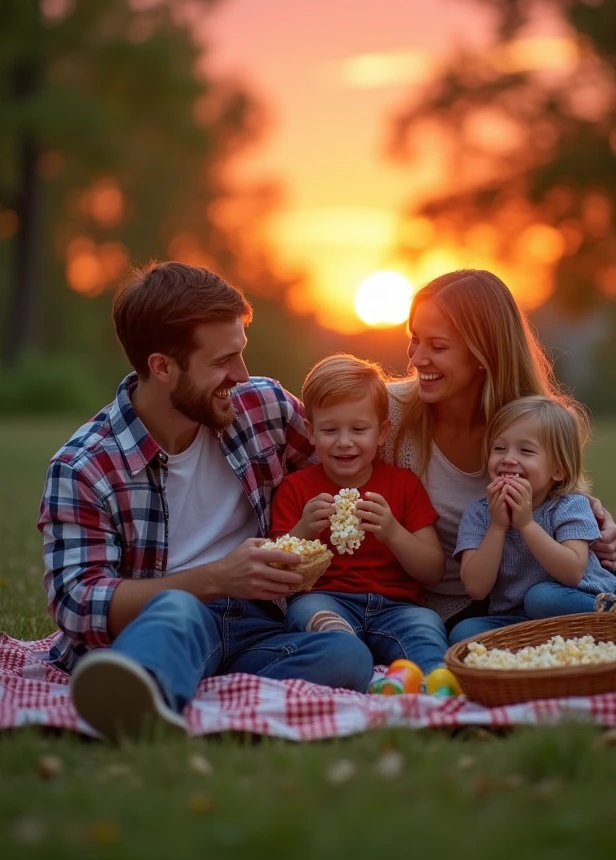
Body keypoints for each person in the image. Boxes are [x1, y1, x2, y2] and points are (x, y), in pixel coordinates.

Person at [38, 262, 375, 741]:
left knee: (347, 657)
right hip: (170, 619)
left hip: (259, 626)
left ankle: (178, 693)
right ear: (163, 366)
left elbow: (345, 453)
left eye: (241, 353)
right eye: (222, 362)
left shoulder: (264, 408)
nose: (241, 375)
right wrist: (216, 579)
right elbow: (77, 603)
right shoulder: (85, 467)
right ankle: (143, 693)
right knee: (178, 613)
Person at [381, 270, 616, 638]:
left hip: (563, 572)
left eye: (438, 347)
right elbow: (324, 459)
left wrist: (599, 520)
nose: (417, 359)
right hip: (485, 600)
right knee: (530, 606)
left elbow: (566, 499)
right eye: (415, 339)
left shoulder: (530, 417)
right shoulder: (387, 414)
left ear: (482, 353)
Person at [269, 354, 449, 678]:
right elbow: (275, 570)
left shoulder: (403, 484)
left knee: (426, 625)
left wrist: (393, 533)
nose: (344, 442)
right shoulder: (295, 489)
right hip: (326, 599)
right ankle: (346, 657)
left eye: (358, 429)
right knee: (311, 614)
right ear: (310, 432)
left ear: (382, 433)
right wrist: (303, 530)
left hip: (397, 607)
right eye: (330, 429)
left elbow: (432, 570)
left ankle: (431, 682)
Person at [449, 395, 616, 643]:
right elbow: (475, 588)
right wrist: (497, 526)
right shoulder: (478, 514)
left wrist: (526, 525)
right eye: (499, 448)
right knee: (463, 633)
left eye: (525, 450)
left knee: (541, 597)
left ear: (558, 469)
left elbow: (571, 573)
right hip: (518, 620)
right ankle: (554, 648)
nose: (508, 458)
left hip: (577, 600)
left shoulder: (570, 505)